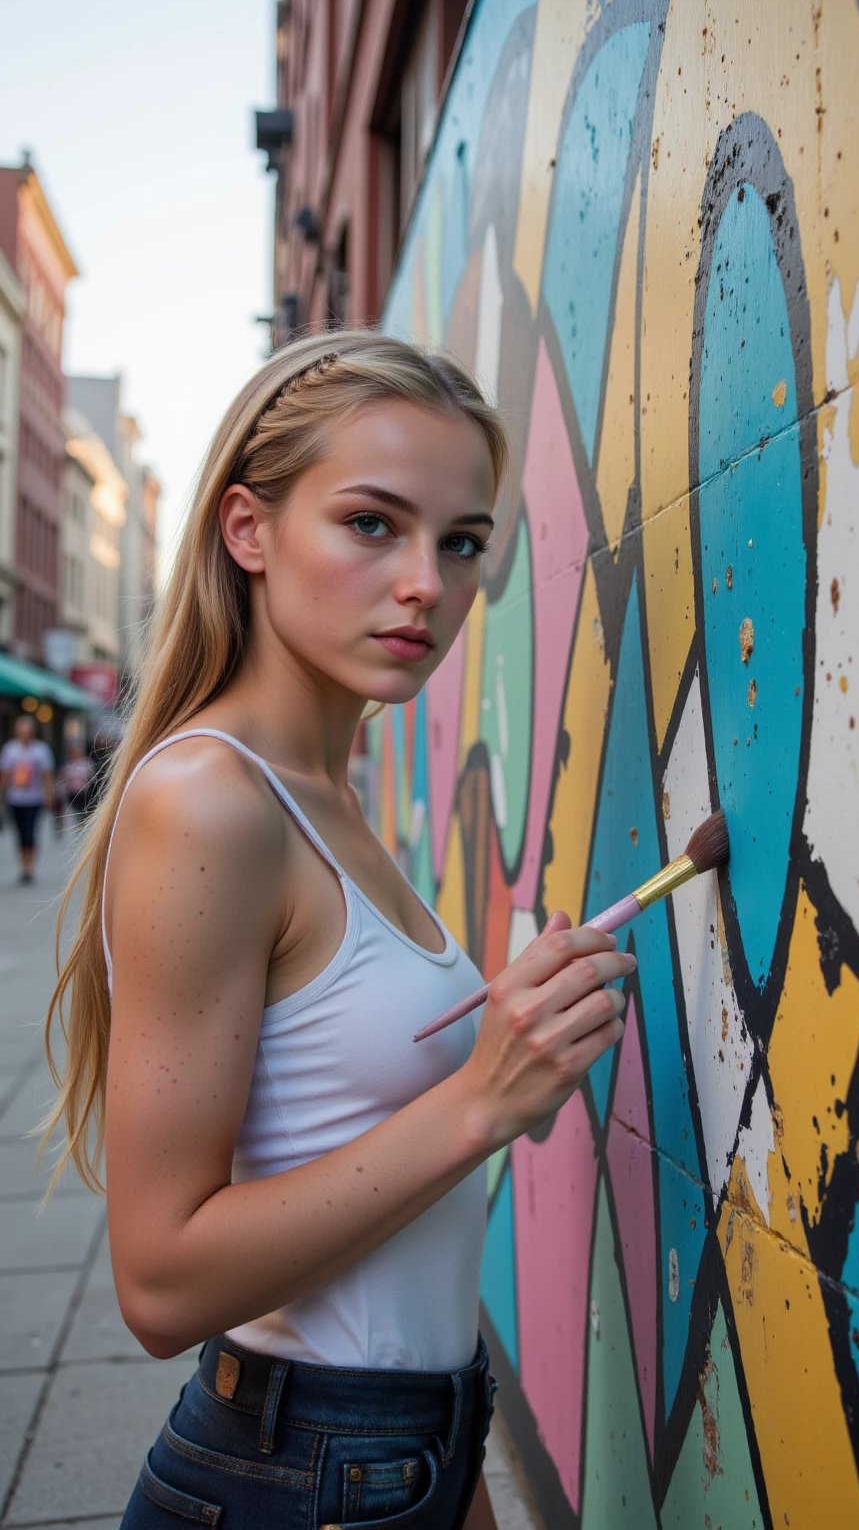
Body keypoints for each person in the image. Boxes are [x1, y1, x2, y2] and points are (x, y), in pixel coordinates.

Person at [43, 332, 632, 1529]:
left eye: (462, 542)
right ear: (247, 530)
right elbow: (159, 1283)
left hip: (399, 1452)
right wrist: (481, 1099)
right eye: (371, 524)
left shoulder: (325, 797)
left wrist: (453, 1463)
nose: (427, 581)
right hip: (294, 1471)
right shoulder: (210, 801)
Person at [0, 714, 55, 882]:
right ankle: (23, 865)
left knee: (30, 833)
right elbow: (5, 776)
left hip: (34, 799)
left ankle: (29, 868)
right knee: (20, 834)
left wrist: (49, 795)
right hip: (15, 798)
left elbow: (47, 775)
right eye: (22, 730)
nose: (25, 733)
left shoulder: (41, 750)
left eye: (28, 730)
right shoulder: (10, 750)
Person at [57, 741, 95, 829]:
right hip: (72, 794)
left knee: (83, 810)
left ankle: (82, 823)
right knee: (74, 813)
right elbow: (61, 780)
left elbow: (92, 778)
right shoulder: (67, 766)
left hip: (84, 793)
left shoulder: (87, 764)